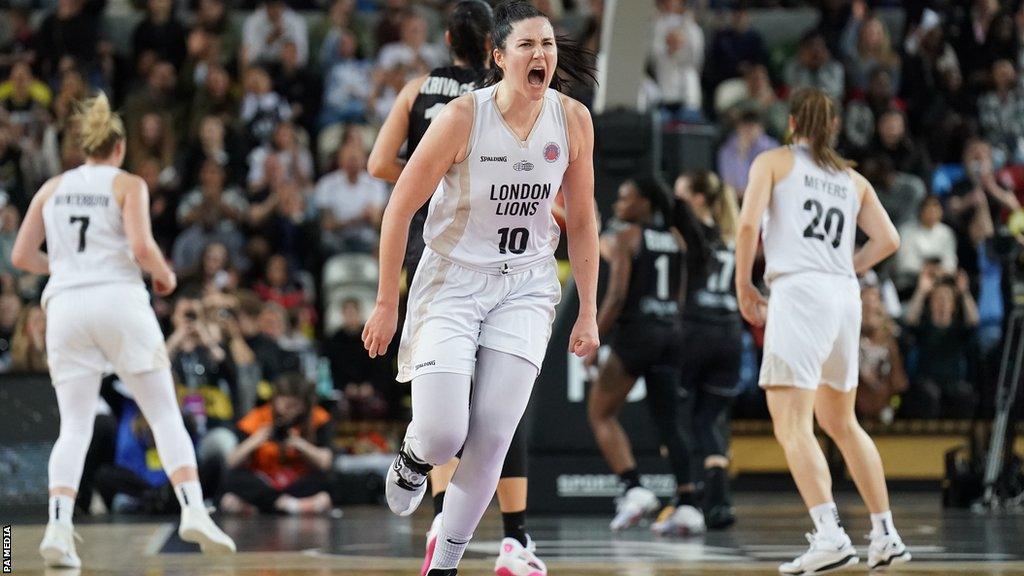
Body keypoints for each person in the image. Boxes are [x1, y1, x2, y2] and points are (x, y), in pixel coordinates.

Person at [361, 1, 600, 574]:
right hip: (452, 282)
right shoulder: (462, 118)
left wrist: (587, 309)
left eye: (548, 44)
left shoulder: (572, 120)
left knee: (493, 436)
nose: (542, 54)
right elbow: (398, 208)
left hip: (525, 286)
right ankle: (415, 456)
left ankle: (444, 563)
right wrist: (385, 301)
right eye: (528, 46)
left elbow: (585, 221)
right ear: (498, 57)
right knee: (446, 434)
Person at [11, 93, 235, 569]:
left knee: (73, 426)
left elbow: (21, 258)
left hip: (65, 305)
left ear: (83, 148)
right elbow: (140, 244)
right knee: (163, 411)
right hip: (117, 299)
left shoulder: (51, 187)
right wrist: (166, 276)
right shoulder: (128, 184)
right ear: (119, 148)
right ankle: (194, 509)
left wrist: (67, 267)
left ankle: (58, 526)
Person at [735, 87, 909, 574]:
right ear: (832, 128)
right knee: (842, 423)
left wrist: (744, 283)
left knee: (792, 423)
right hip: (842, 297)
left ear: (792, 124)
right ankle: (885, 533)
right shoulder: (851, 180)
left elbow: (748, 227)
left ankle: (830, 533)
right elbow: (889, 238)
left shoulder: (774, 161)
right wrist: (848, 265)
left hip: (800, 293)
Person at [585, 175, 699, 533]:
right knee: (669, 422)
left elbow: (617, 296)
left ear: (645, 203)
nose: (619, 205)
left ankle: (634, 487)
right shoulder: (678, 239)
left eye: (625, 198)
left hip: (638, 335)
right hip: (671, 334)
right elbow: (678, 297)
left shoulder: (628, 237)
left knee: (600, 413)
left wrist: (594, 337)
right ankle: (689, 503)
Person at [665, 170, 743, 531]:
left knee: (675, 414)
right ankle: (718, 502)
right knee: (708, 421)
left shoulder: (689, 231)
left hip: (696, 329)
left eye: (681, 195)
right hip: (729, 333)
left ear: (697, 199)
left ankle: (684, 496)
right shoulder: (730, 234)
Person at [220, 373, 334, 515]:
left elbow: (325, 462)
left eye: (295, 406)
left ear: (305, 405)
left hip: (297, 481)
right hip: (264, 481)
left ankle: (262, 507)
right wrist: (256, 440)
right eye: (285, 405)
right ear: (275, 400)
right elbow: (231, 462)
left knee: (327, 478)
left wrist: (299, 444)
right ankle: (286, 505)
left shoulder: (317, 418)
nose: (289, 410)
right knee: (233, 478)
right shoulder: (257, 418)